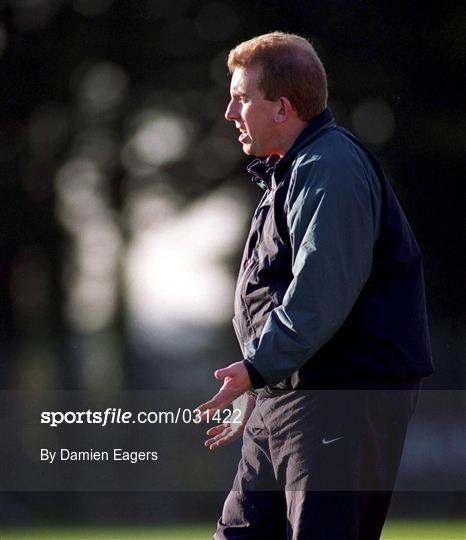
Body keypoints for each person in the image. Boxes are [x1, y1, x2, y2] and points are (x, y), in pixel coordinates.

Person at [197, 32, 433, 540]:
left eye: (241, 98)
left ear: (282, 108)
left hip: (337, 403)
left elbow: (321, 293)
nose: (228, 113)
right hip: (289, 397)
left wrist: (260, 367)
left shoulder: (331, 167)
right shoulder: (294, 171)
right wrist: (260, 385)